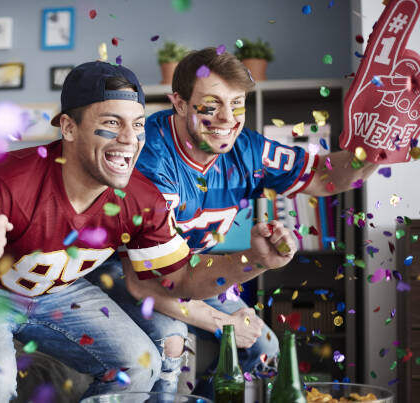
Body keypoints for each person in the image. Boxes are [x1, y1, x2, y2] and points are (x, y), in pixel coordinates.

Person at [0, 61, 298, 402]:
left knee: (140, 365)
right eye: (112, 123)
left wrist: (253, 259)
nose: (129, 139)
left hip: (59, 292)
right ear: (69, 128)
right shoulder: (6, 178)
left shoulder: (141, 197)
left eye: (137, 124)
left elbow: (180, 277)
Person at [88, 47, 380, 398]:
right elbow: (147, 284)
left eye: (237, 103)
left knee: (264, 347)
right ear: (179, 103)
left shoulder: (248, 150)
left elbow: (324, 177)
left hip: (191, 268)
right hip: (123, 269)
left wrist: (380, 147)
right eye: (211, 106)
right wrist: (225, 323)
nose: (228, 118)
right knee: (171, 343)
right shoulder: (148, 159)